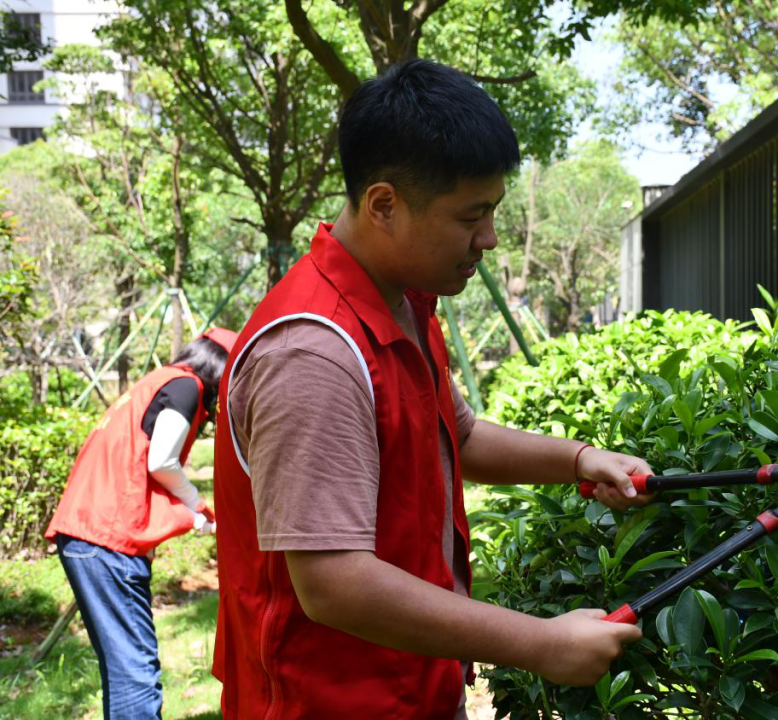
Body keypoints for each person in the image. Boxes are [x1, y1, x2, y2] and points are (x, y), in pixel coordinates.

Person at [212, 59, 653, 718]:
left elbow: (459, 436)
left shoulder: (404, 304)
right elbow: (333, 584)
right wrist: (539, 643)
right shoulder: (315, 352)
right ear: (384, 204)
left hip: (411, 692)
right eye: (471, 215)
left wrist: (578, 459)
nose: (490, 239)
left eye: (494, 212)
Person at [46, 328, 238, 719]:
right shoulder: (186, 386)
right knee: (136, 672)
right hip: (106, 538)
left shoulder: (159, 379)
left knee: (121, 668)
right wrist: (196, 504)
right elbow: (162, 461)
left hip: (88, 533)